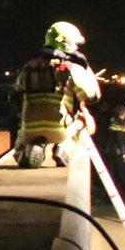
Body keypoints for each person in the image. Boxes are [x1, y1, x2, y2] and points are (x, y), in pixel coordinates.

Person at [13, 21, 103, 169]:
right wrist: (88, 74)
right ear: (63, 42)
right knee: (85, 120)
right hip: (60, 128)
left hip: (30, 127)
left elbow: (17, 92)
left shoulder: (28, 66)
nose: (76, 47)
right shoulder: (73, 68)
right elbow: (92, 97)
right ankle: (65, 148)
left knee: (22, 141)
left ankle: (26, 150)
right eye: (74, 43)